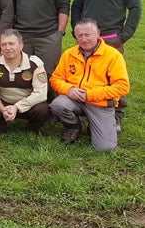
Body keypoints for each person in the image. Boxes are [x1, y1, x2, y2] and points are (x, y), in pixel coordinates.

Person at [71, 0, 142, 129]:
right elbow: (77, 6)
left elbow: (135, 8)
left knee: (115, 79)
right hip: (87, 41)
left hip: (112, 40)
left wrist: (123, 36)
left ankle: (116, 115)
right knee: (88, 76)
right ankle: (87, 111)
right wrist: (76, 30)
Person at [49, 19, 129, 151]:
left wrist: (89, 95)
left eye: (87, 35)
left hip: (100, 103)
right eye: (79, 35)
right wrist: (69, 90)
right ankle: (73, 126)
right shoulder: (69, 54)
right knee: (57, 105)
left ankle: (105, 121)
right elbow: (55, 79)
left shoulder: (113, 56)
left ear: (98, 33)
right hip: (74, 99)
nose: (84, 39)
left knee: (105, 147)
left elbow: (122, 86)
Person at [0, 29, 50, 135]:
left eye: (11, 44)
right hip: (3, 104)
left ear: (21, 45)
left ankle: (32, 129)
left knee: (43, 109)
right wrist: (3, 109)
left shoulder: (35, 64)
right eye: (4, 44)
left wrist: (17, 107)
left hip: (27, 105)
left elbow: (41, 94)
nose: (8, 48)